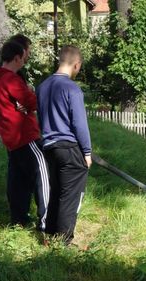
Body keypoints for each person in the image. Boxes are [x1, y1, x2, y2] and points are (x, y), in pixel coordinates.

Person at [0, 40, 50, 230]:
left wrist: (22, 105)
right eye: (24, 58)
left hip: (11, 140)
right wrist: (30, 91)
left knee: (18, 180)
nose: (25, 61)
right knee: (43, 173)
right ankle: (47, 221)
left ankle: (18, 220)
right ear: (16, 58)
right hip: (25, 137)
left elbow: (19, 105)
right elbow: (31, 103)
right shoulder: (11, 80)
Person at [36, 45, 91, 245]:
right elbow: (79, 123)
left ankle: (50, 232)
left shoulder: (42, 87)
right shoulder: (72, 88)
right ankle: (64, 240)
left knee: (56, 189)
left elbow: (41, 118)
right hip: (69, 146)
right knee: (71, 194)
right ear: (76, 65)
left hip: (49, 146)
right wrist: (87, 151)